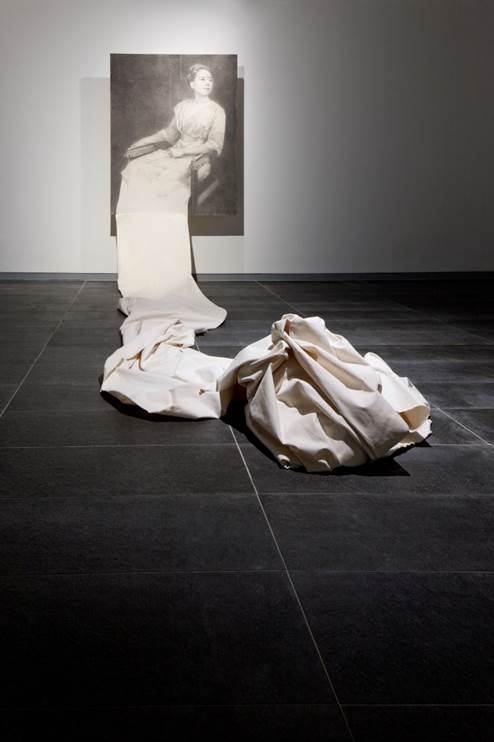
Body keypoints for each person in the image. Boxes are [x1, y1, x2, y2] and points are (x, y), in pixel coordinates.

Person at [114, 64, 228, 319]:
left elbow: (213, 145)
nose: (207, 83)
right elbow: (168, 134)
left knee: (166, 185)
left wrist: (184, 151)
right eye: (202, 79)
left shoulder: (216, 111)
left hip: (197, 160)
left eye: (210, 79)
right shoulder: (183, 107)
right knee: (136, 169)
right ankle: (146, 251)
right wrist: (142, 143)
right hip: (173, 153)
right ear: (192, 83)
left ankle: (168, 263)